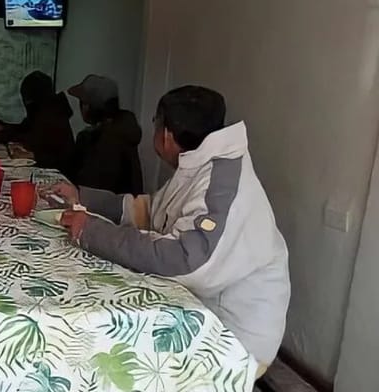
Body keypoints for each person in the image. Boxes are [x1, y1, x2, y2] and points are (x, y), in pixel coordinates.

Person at [55, 85, 290, 368]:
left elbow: (183, 259)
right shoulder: (201, 164)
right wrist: (84, 198)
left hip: (234, 337)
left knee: (114, 349)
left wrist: (90, 232)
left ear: (166, 134)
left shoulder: (221, 183)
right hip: (202, 310)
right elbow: (151, 211)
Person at [0, 71, 75, 174]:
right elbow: (26, 128)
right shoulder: (49, 109)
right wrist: (1, 125)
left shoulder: (50, 115)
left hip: (59, 176)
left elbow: (29, 140)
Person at [68, 74, 143, 194]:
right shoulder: (121, 130)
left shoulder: (106, 140)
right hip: (123, 208)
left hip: (105, 209)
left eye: (83, 103)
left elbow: (89, 186)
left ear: (89, 106)